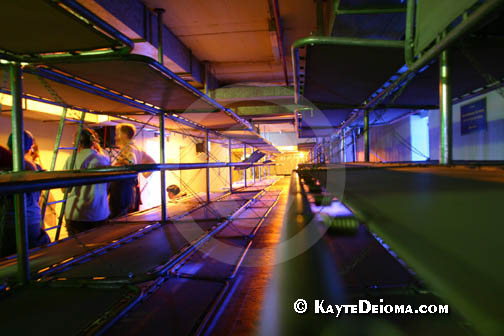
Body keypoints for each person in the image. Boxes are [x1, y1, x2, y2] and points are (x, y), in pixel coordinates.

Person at [1, 131, 50, 257]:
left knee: (8, 265)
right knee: (31, 262)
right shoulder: (36, 168)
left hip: (6, 224)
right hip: (31, 221)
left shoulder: (4, 169)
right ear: (30, 147)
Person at [62, 128, 110, 235]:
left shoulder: (71, 159)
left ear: (77, 142)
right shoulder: (104, 159)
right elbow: (108, 186)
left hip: (77, 212)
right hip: (100, 212)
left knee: (77, 248)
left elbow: (65, 189)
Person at [109, 123, 155, 218]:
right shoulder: (137, 149)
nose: (115, 137)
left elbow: (127, 166)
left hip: (121, 191)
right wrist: (144, 174)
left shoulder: (128, 150)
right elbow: (152, 163)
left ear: (124, 135)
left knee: (117, 220)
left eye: (117, 134)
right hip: (130, 189)